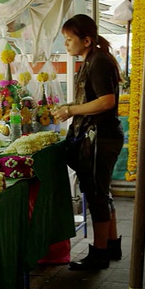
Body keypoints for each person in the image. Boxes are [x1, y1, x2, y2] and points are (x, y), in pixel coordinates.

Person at [52, 14, 124, 271]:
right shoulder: (92, 59)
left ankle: (99, 253)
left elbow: (107, 101)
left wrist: (71, 110)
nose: (66, 44)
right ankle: (112, 245)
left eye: (69, 39)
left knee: (96, 195)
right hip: (100, 136)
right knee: (102, 193)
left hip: (100, 138)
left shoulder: (99, 62)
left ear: (86, 40)